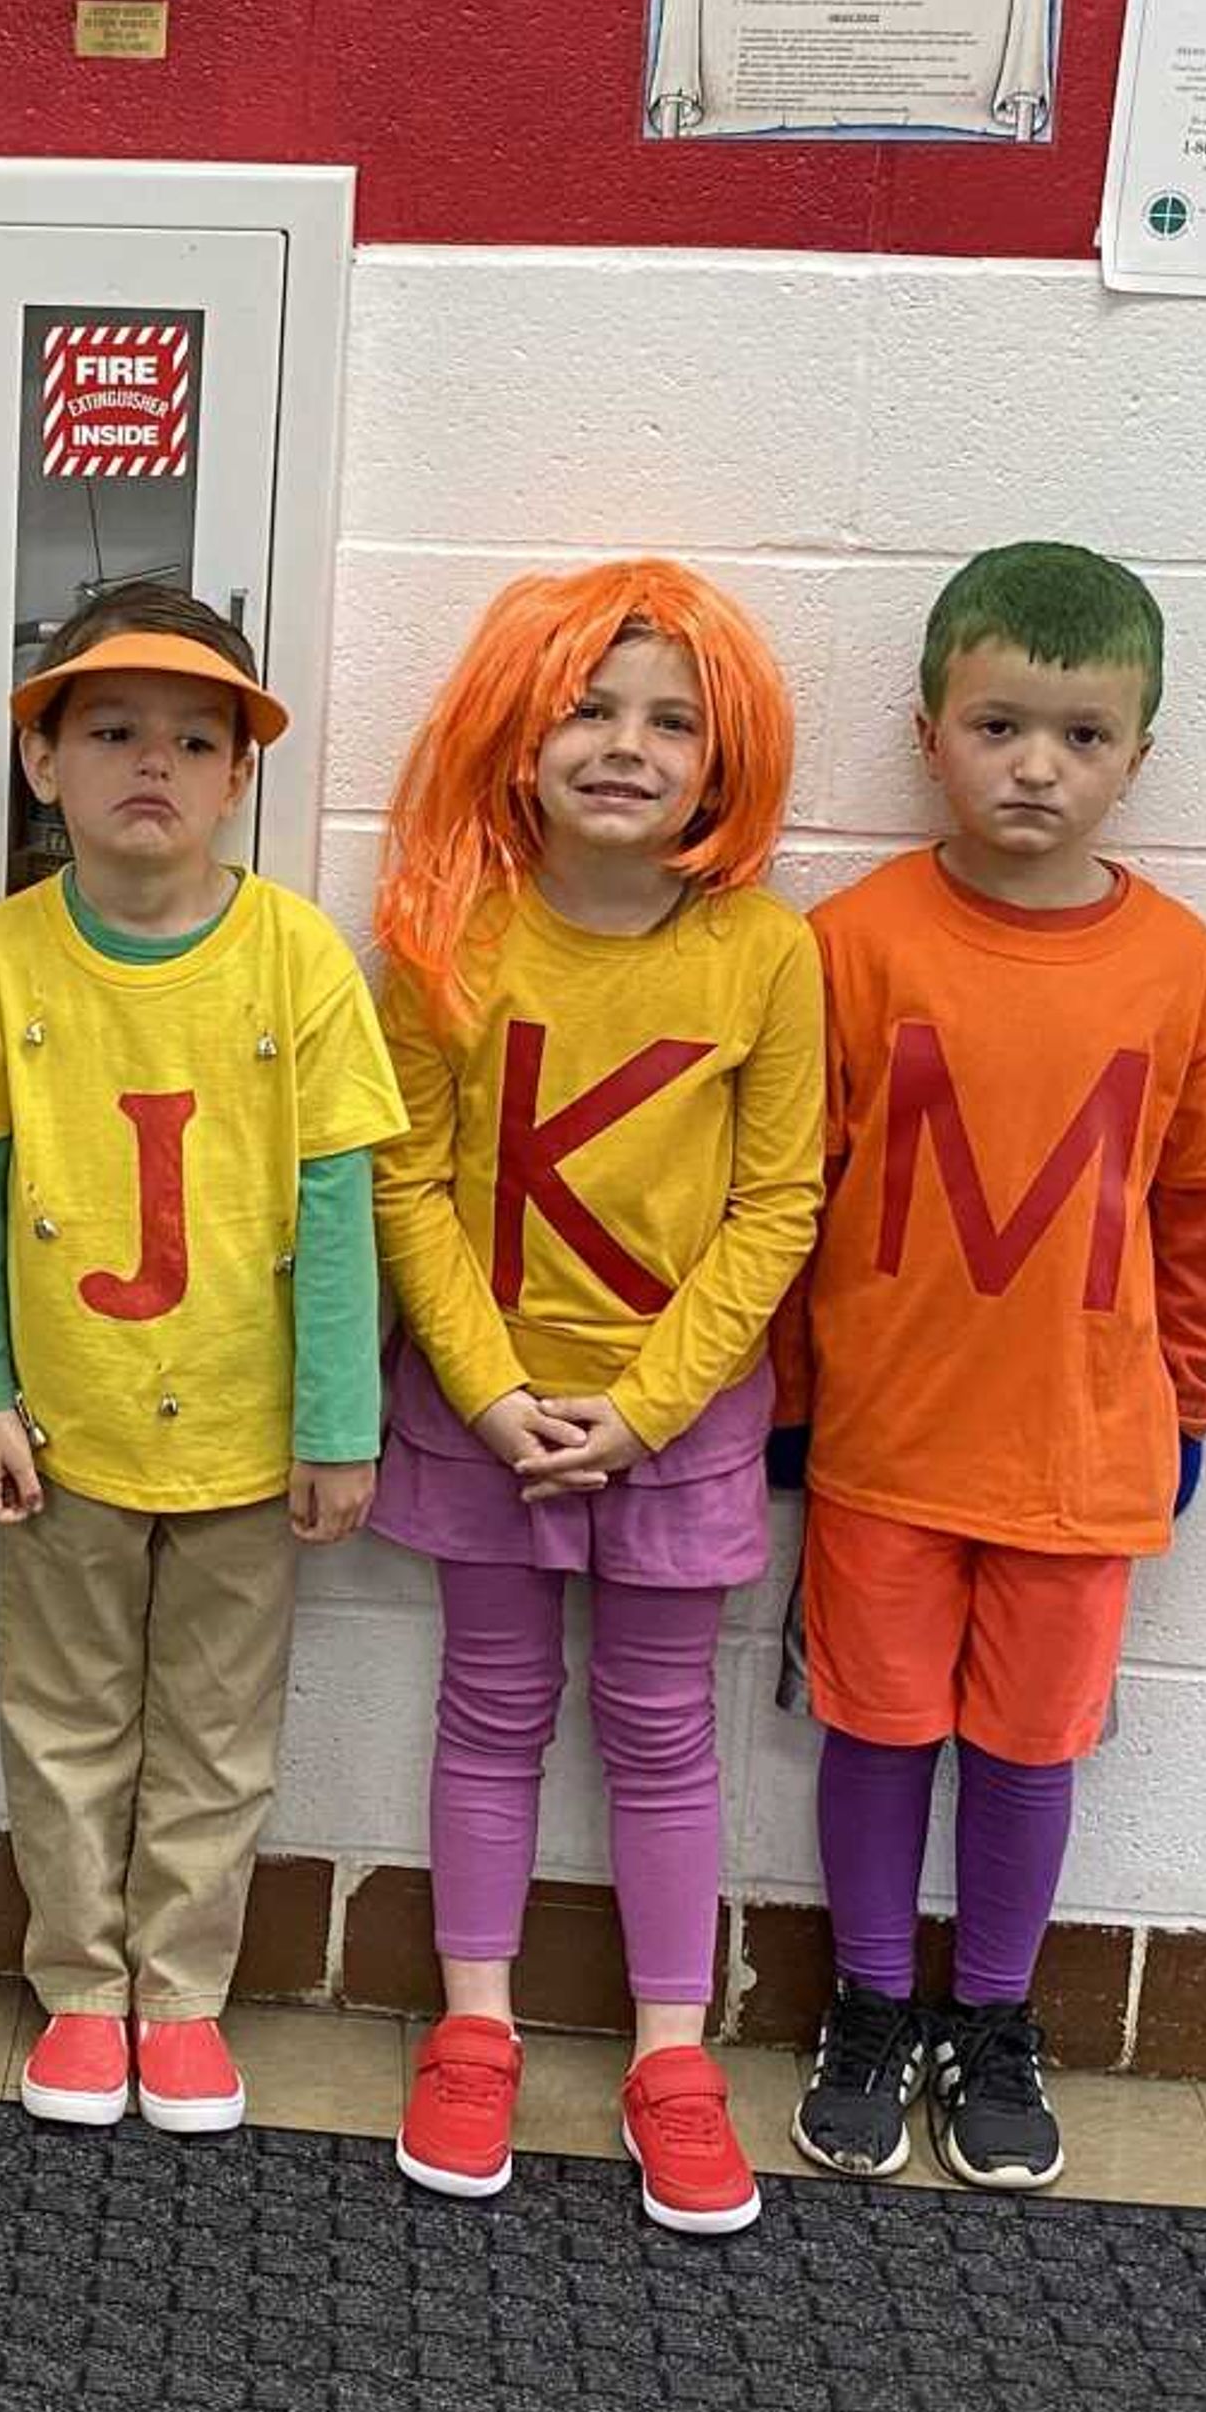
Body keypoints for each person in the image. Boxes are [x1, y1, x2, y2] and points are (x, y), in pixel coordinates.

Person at [774, 542, 1206, 2193]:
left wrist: (1189, 1397)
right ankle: (863, 2002)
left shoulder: (1180, 965)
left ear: (1140, 752)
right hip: (885, 1446)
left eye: (1080, 734)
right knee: (877, 1730)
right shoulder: (851, 941)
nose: (1034, 766)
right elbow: (787, 1191)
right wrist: (784, 1398)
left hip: (1078, 1454)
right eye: (998, 725)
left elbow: (1202, 1202)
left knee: (1030, 1745)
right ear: (928, 732)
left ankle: (989, 2015)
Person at [0, 590, 403, 2135]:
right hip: (65, 1426)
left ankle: (181, 1991)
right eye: (111, 731)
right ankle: (79, 1987)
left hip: (251, 1438)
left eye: (196, 740)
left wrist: (338, 1421)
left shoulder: (298, 958)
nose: (154, 767)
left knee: (217, 1729)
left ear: (239, 779)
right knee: (60, 1720)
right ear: (42, 760)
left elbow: (337, 1208)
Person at [365, 563, 820, 2233]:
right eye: (588, 708)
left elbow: (780, 1204)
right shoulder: (445, 933)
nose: (626, 746)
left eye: (672, 720)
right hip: (483, 1410)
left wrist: (645, 1407)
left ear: (725, 760)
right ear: (516, 732)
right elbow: (405, 1177)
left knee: (661, 1726)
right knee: (488, 1710)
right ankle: (473, 2027)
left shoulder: (769, 957)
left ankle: (670, 2054)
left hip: (673, 1425)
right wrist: (486, 1394)